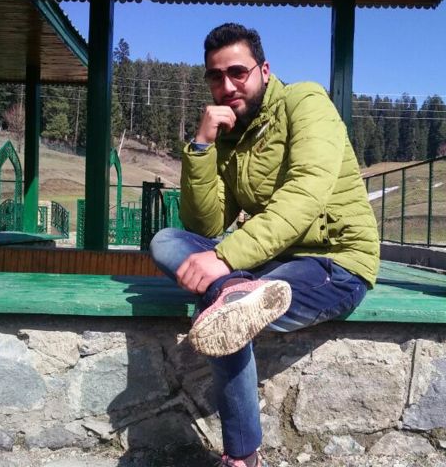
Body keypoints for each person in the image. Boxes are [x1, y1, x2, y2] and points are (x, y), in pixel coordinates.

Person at [151, 23, 379, 467]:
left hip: (335, 261)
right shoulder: (231, 135)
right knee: (166, 239)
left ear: (265, 70)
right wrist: (201, 146)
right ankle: (235, 293)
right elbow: (206, 223)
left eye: (238, 72)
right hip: (270, 261)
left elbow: (305, 193)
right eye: (215, 76)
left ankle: (243, 456)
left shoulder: (306, 102)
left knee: (220, 304)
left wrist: (223, 258)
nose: (227, 86)